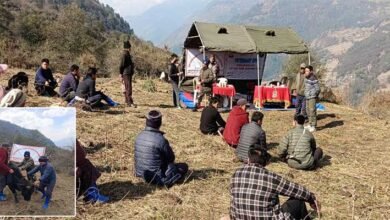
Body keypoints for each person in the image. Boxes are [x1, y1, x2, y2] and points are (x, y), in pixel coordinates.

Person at [230, 148, 320, 219]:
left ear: (248, 160)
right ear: (266, 163)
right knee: (298, 201)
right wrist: (311, 199)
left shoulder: (235, 174)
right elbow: (298, 191)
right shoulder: (271, 178)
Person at [134, 110, 188, 187]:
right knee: (183, 166)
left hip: (139, 173)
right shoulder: (161, 140)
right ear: (159, 123)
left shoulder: (139, 136)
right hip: (156, 177)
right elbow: (171, 159)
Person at [119, 41, 136, 107]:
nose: (130, 49)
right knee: (128, 88)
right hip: (126, 73)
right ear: (128, 48)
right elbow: (121, 65)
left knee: (127, 87)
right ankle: (130, 102)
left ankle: (127, 100)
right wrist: (120, 73)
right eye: (130, 47)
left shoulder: (127, 54)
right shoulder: (124, 55)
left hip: (128, 73)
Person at [304, 65, 321, 132]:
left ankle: (313, 126)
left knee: (312, 111)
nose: (306, 72)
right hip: (307, 97)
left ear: (311, 71)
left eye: (307, 71)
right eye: (305, 71)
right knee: (308, 111)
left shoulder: (313, 78)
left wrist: (314, 95)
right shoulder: (306, 78)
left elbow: (318, 89)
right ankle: (310, 124)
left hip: (312, 97)